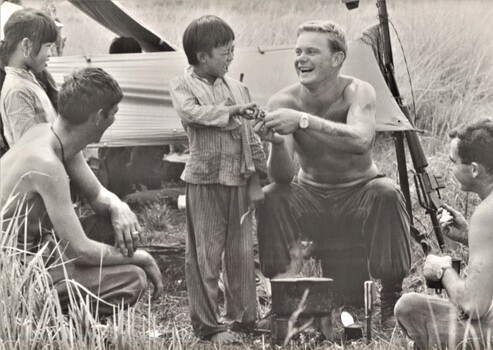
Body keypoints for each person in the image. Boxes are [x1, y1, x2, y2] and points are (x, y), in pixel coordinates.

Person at [252, 20, 411, 327]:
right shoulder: (283, 101)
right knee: (273, 196)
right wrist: (276, 146)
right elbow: (282, 178)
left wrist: (303, 121)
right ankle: (284, 304)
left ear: (337, 59)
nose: (301, 58)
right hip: (312, 196)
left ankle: (391, 303)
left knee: (387, 192)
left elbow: (360, 139)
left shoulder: (357, 91)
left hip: (359, 194)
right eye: (298, 51)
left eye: (312, 51)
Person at [0, 67, 163, 315]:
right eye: (114, 113)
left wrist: (119, 206)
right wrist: (142, 257)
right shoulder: (47, 165)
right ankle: (47, 318)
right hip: (15, 273)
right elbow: (81, 251)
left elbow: (97, 195)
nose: (114, 120)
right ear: (98, 117)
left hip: (40, 250)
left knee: (115, 226)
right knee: (133, 279)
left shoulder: (49, 134)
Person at [169, 15, 267, 343]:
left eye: (232, 50)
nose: (230, 57)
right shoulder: (183, 85)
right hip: (205, 180)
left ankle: (244, 319)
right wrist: (233, 112)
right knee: (205, 257)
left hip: (237, 179)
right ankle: (209, 327)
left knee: (241, 253)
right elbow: (191, 114)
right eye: (225, 52)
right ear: (202, 57)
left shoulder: (237, 87)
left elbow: (249, 136)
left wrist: (258, 176)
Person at [395, 117, 493, 349]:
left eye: (454, 162)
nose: (451, 169)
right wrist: (469, 234)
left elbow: (472, 304)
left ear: (474, 169)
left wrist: (442, 270)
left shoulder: (486, 213)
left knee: (408, 307)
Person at [0, 8, 59, 147]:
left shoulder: (27, 79)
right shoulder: (18, 91)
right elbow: (29, 151)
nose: (50, 53)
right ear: (26, 45)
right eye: (48, 46)